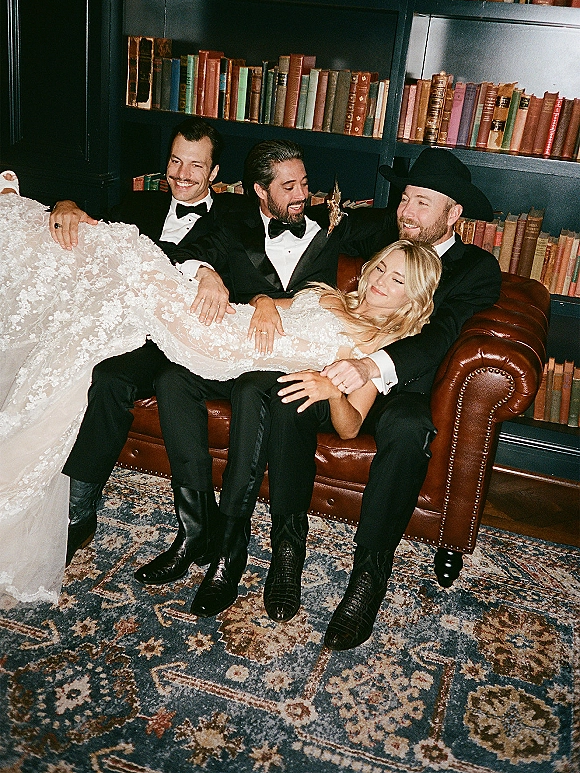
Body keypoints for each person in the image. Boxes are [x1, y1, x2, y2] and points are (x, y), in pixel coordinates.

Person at [0, 190, 436, 606]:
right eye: (381, 268)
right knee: (159, 352)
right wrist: (265, 302)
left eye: (397, 279)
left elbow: (349, 425)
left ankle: (229, 547)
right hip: (228, 328)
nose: (380, 280)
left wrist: (331, 389)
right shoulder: (329, 296)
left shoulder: (377, 348)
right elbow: (271, 303)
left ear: (412, 297)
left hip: (232, 353)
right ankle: (194, 532)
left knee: (130, 265)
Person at [136, 138, 395, 616]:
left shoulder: (333, 230)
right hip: (237, 356)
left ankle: (230, 554)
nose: (302, 194)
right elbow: (184, 253)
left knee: (258, 387)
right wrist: (210, 274)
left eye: (305, 184)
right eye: (289, 187)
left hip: (282, 370)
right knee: (172, 378)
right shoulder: (234, 222)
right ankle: (193, 530)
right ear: (260, 191)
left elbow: (403, 234)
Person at [261, 146, 502, 651]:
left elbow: (442, 335)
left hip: (404, 387)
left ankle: (368, 575)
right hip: (343, 354)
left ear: (454, 213)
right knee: (290, 393)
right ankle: (287, 544)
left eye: (423, 203)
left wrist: (371, 366)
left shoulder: (476, 268)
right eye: (405, 198)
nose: (407, 213)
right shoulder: (380, 230)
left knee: (409, 427)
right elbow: (304, 235)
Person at [48, 116, 247, 570]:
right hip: (117, 321)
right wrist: (65, 203)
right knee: (60, 357)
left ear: (215, 174)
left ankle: (78, 514)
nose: (181, 175)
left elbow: (225, 257)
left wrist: (207, 271)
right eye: (175, 161)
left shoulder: (234, 217)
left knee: (111, 377)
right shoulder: (137, 203)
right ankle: (60, 492)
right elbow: (86, 221)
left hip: (174, 337)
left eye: (196, 166)